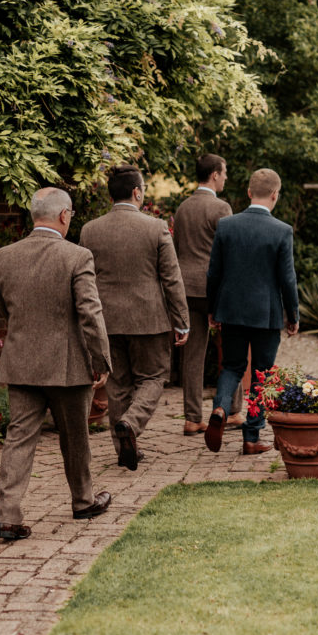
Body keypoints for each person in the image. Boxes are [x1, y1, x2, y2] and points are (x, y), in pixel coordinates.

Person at [0, 187, 114, 542]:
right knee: (76, 438)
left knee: (18, 439)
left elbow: (4, 309)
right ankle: (83, 501)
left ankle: (8, 516)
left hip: (22, 362)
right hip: (68, 365)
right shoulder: (77, 256)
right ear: (64, 215)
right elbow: (91, 314)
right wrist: (101, 360)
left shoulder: (5, 255)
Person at [79, 165, 190, 470]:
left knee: (118, 384)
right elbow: (171, 279)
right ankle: (131, 423)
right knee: (154, 376)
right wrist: (182, 320)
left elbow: (84, 281)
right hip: (148, 319)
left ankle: (124, 449)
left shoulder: (90, 230)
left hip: (106, 320)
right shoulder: (155, 227)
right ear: (137, 192)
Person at [204, 168, 300, 455]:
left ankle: (220, 408)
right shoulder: (282, 230)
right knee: (262, 374)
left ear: (248, 193)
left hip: (231, 310)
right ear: (275, 195)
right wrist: (292, 316)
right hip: (266, 315)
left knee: (231, 367)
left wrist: (213, 309)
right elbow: (288, 279)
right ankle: (251, 437)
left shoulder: (227, 226)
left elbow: (213, 274)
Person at [172, 154, 242, 436]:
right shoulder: (220, 207)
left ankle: (192, 418)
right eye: (224, 173)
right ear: (214, 174)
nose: (225, 177)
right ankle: (233, 410)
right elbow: (231, 253)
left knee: (192, 355)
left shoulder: (183, 207)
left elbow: (177, 249)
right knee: (231, 351)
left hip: (186, 289)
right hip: (216, 289)